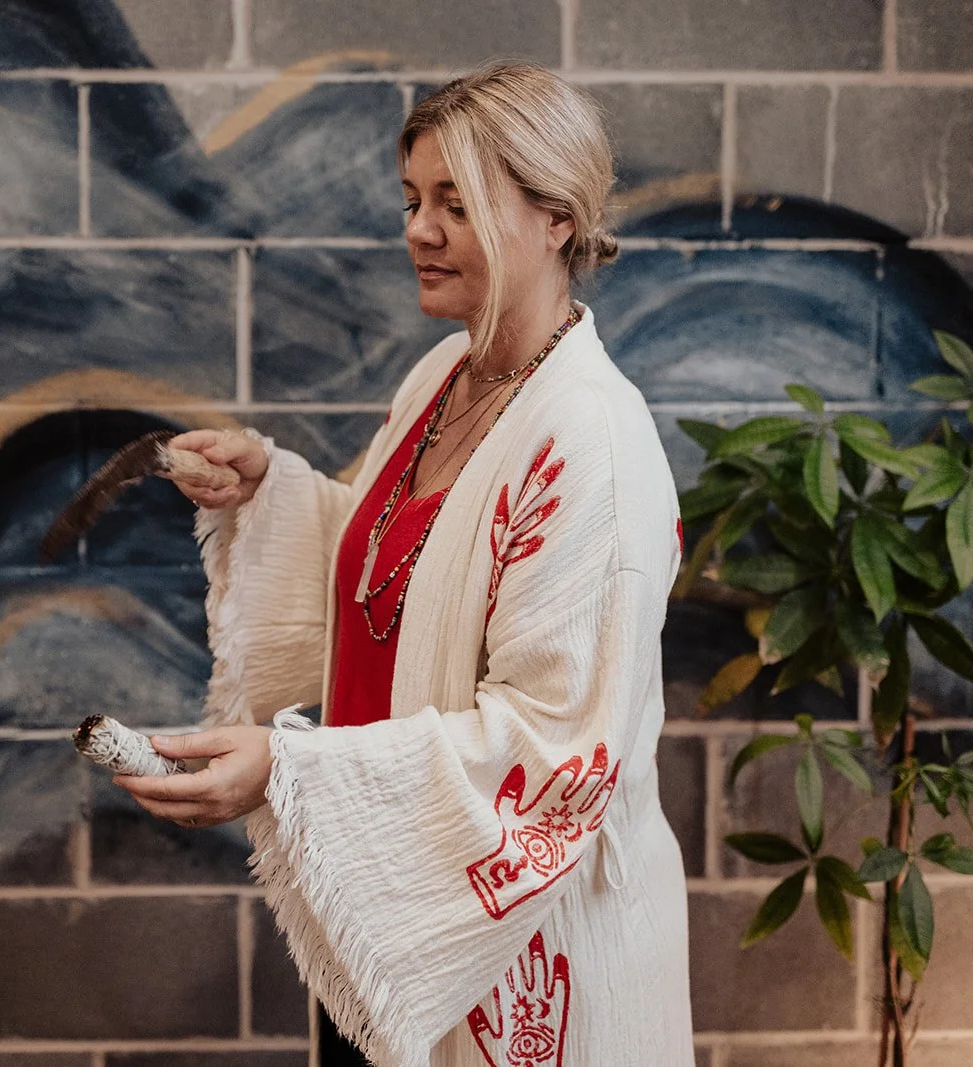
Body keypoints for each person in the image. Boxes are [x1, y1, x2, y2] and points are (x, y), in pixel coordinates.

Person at [115, 62, 693, 1067]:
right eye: (412, 200)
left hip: (518, 949)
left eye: (455, 204)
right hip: (383, 910)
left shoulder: (590, 441)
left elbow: (556, 747)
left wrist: (292, 767)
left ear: (556, 217)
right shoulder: (446, 375)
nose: (419, 230)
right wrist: (270, 488)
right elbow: (411, 569)